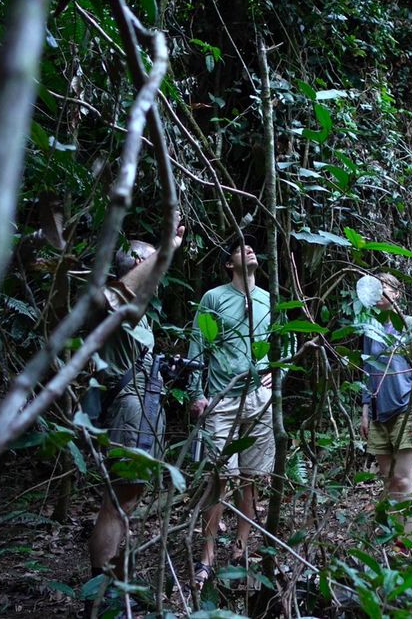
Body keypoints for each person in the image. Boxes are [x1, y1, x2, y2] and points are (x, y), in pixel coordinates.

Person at [86, 226, 183, 610]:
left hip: (142, 407)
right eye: (148, 262)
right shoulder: (116, 303)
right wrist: (168, 248)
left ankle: (112, 584)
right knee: (119, 499)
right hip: (128, 408)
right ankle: (103, 589)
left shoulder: (138, 314)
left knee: (127, 498)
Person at [187, 239, 274, 588]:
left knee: (251, 479)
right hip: (222, 399)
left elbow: (278, 340)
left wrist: (274, 370)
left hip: (258, 398)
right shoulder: (214, 298)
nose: (248, 249)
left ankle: (240, 548)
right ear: (228, 263)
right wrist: (196, 393)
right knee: (220, 479)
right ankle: (207, 556)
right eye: (239, 248)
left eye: (251, 247)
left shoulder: (268, 298)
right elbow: (198, 344)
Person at [359, 273, 412, 534]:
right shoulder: (370, 328)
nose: (379, 293)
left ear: (397, 294)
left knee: (402, 477)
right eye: (374, 288)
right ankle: (394, 534)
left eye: (384, 288)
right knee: (388, 479)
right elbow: (367, 370)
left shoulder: (410, 325)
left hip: (405, 408)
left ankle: (405, 541)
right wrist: (365, 410)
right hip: (378, 411)